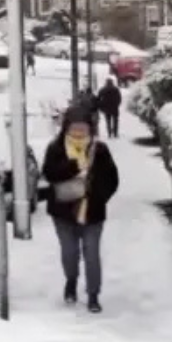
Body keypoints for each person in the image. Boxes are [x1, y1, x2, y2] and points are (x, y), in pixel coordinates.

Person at [40, 110, 120, 312]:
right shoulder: (56, 148)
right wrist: (74, 166)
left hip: (92, 213)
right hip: (63, 212)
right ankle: (71, 281)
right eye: (74, 127)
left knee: (92, 254)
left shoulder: (100, 150)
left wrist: (98, 197)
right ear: (66, 127)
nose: (78, 131)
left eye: (82, 127)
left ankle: (93, 295)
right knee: (69, 252)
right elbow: (49, 173)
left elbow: (112, 179)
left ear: (89, 128)